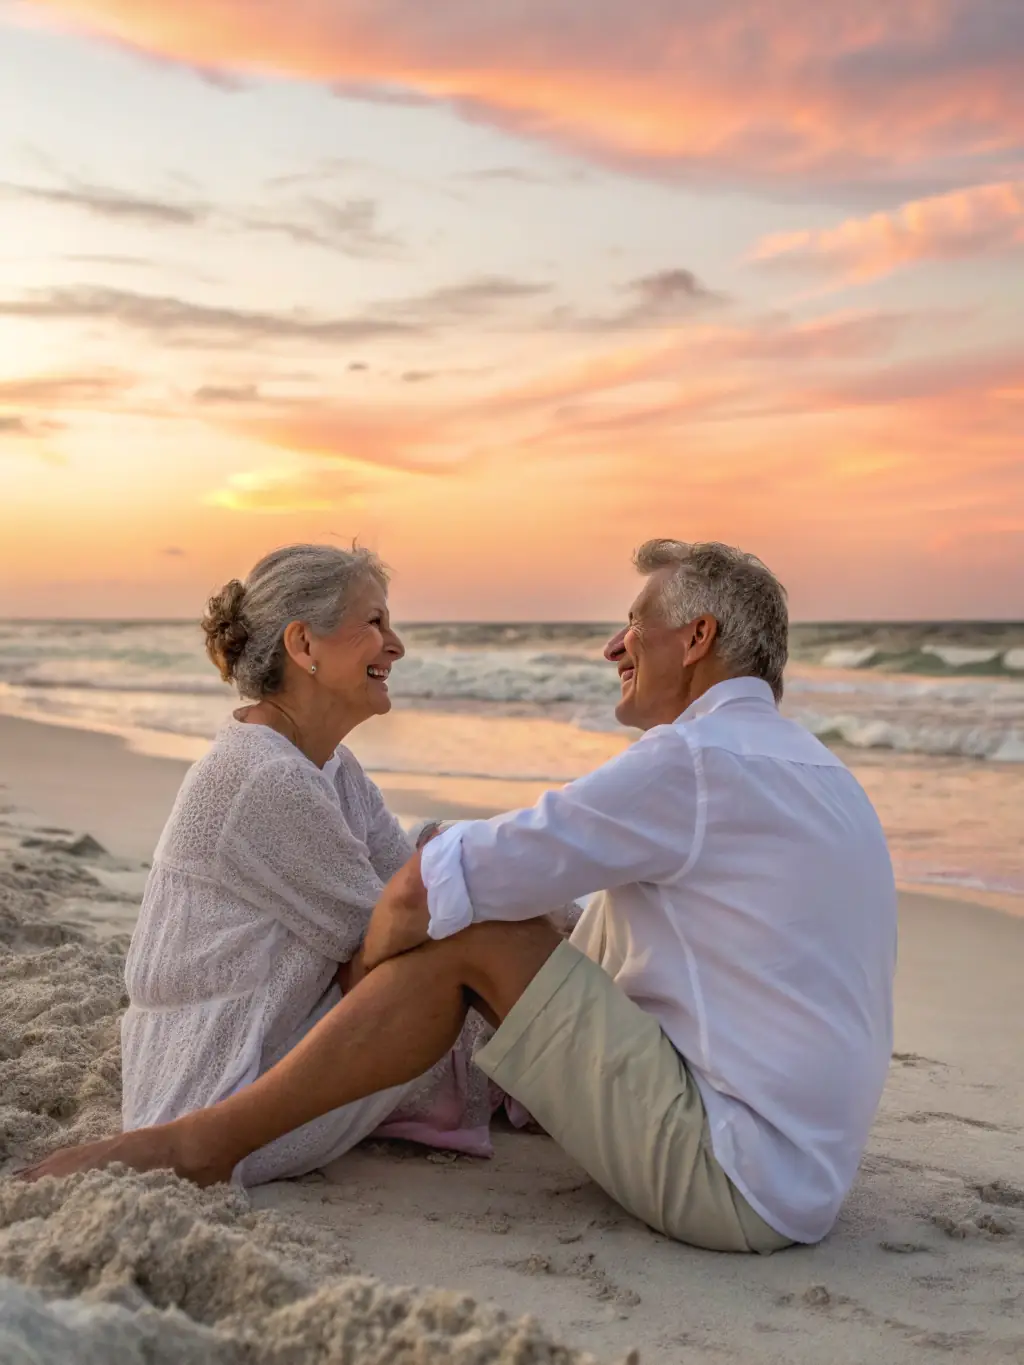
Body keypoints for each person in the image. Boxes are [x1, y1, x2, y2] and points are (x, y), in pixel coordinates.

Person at [24, 540, 897, 1255]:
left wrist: (447, 900)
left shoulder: (695, 765)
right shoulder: (819, 770)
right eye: (376, 624)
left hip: (736, 1174)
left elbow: (425, 891)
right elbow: (420, 888)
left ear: (698, 636)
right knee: (497, 910)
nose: (613, 646)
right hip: (799, 1167)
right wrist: (445, 891)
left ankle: (202, 1147)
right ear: (303, 645)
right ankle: (459, 1089)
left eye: (636, 623)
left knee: (471, 926)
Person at [110, 543, 496, 1186]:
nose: (395, 645)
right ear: (303, 645)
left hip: (278, 1045)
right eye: (373, 623)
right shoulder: (262, 778)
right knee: (463, 920)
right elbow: (397, 937)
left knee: (446, 857)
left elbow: (407, 886)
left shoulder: (330, 766)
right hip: (222, 1088)